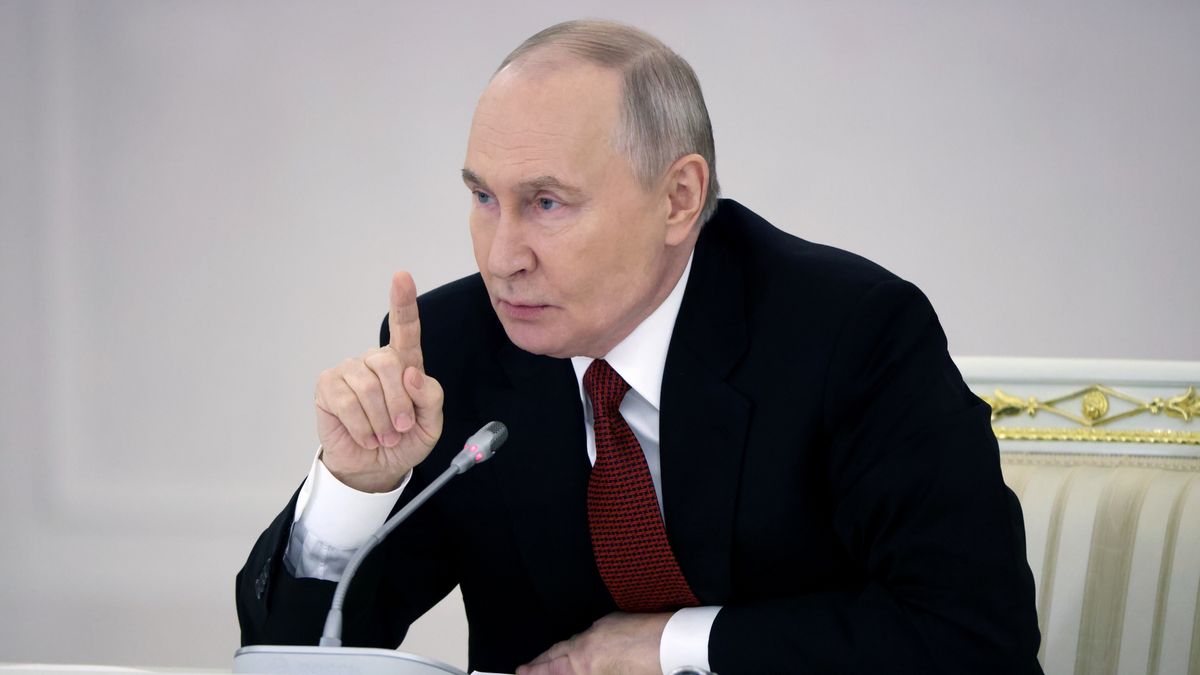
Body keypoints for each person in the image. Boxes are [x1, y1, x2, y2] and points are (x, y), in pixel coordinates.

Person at [236, 19, 1042, 675]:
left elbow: (976, 637)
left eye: (546, 203)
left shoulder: (850, 334)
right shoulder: (456, 347)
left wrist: (673, 645)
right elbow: (296, 657)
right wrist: (355, 488)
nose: (502, 256)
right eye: (483, 196)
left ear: (679, 198)